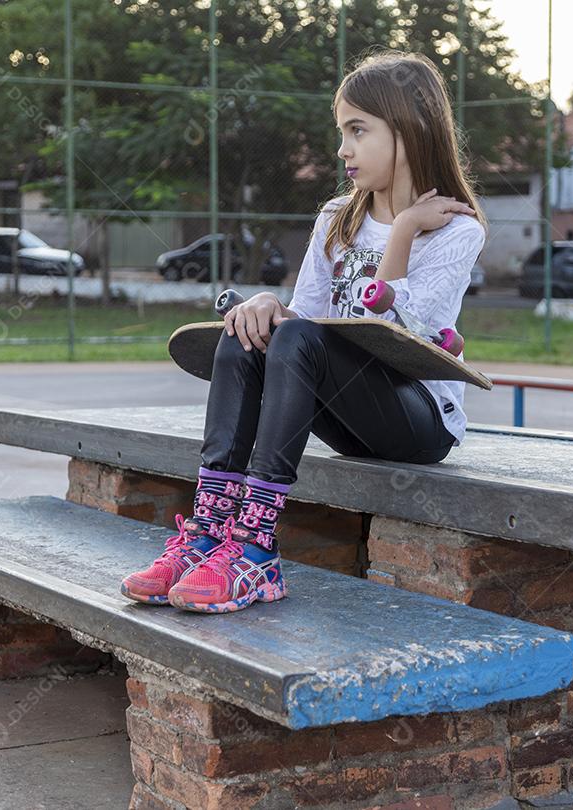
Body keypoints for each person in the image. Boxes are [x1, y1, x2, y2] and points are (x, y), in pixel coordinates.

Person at [120, 49, 488, 614]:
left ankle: (257, 549)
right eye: (341, 131)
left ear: (410, 130)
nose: (342, 148)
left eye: (358, 130)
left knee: (292, 336)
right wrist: (268, 305)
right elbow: (307, 321)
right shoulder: (336, 216)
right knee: (249, 330)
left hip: (416, 418)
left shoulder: (455, 231)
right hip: (348, 413)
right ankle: (209, 533)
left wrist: (406, 230)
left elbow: (392, 335)